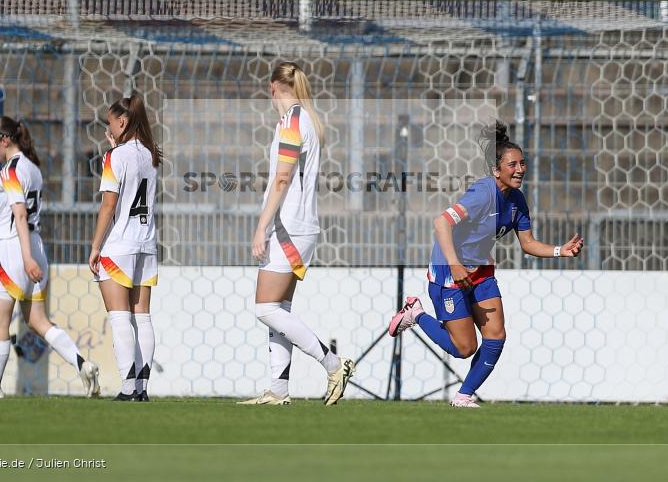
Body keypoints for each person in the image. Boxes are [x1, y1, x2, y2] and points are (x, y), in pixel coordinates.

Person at [388, 121, 583, 408]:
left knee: (496, 336)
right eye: (512, 164)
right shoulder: (482, 194)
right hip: (449, 273)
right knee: (465, 348)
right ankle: (415, 313)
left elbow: (527, 243)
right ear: (496, 170)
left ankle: (462, 396)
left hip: (480, 272)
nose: (520, 169)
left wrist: (559, 250)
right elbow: (440, 222)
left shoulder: (516, 200)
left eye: (522, 163)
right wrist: (454, 264)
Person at [0, 116, 100, 399]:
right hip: (36, 245)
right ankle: (83, 363)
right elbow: (7, 206)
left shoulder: (9, 170)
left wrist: (25, 258)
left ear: (4, 140)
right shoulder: (32, 168)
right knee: (39, 321)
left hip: (13, 249)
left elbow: (18, 213)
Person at [239, 61, 355, 406]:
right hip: (300, 226)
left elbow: (282, 179)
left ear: (272, 86)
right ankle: (279, 389)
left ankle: (334, 364)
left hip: (288, 227)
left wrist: (261, 226)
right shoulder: (304, 119)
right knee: (280, 308)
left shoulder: (292, 121)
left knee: (264, 308)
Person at [88, 92, 161, 402]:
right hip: (147, 243)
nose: (109, 128)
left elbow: (109, 206)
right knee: (141, 316)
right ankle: (141, 389)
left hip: (120, 244)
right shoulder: (152, 154)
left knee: (119, 316)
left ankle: (128, 388)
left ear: (122, 121)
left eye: (110, 122)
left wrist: (95, 247)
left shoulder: (113, 157)